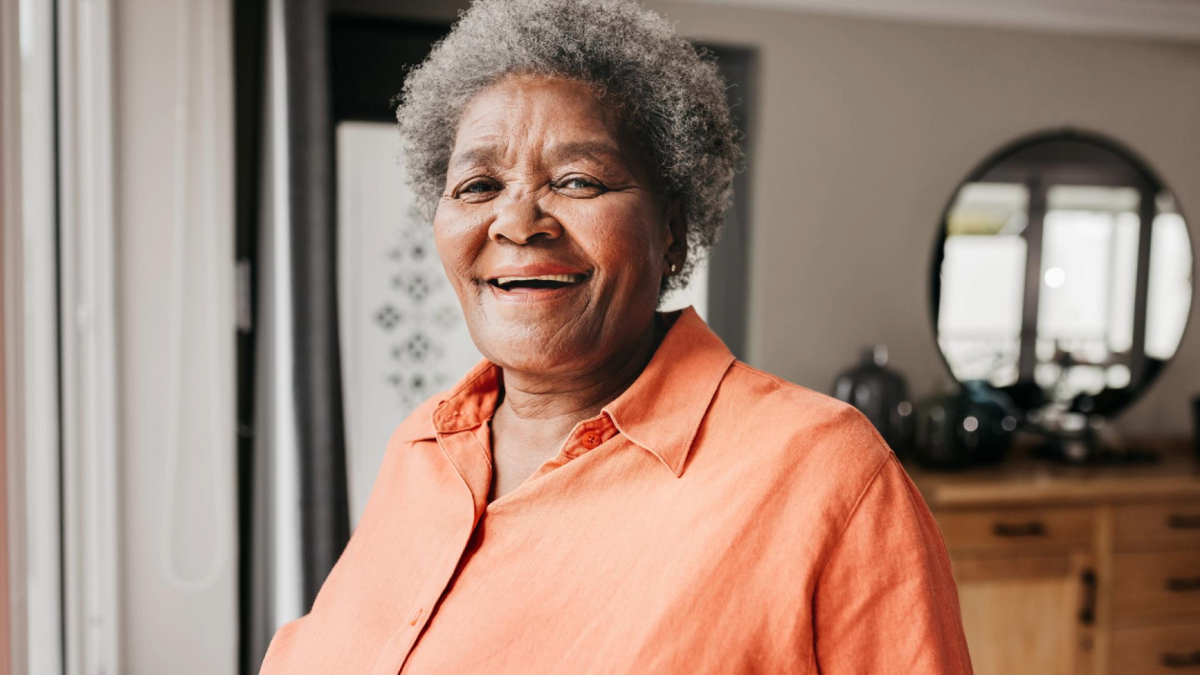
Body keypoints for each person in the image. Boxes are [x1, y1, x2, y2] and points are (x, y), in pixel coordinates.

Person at [260, 0, 973, 672]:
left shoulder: (824, 474)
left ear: (671, 228)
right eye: (477, 186)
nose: (518, 221)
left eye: (579, 181)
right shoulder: (424, 446)